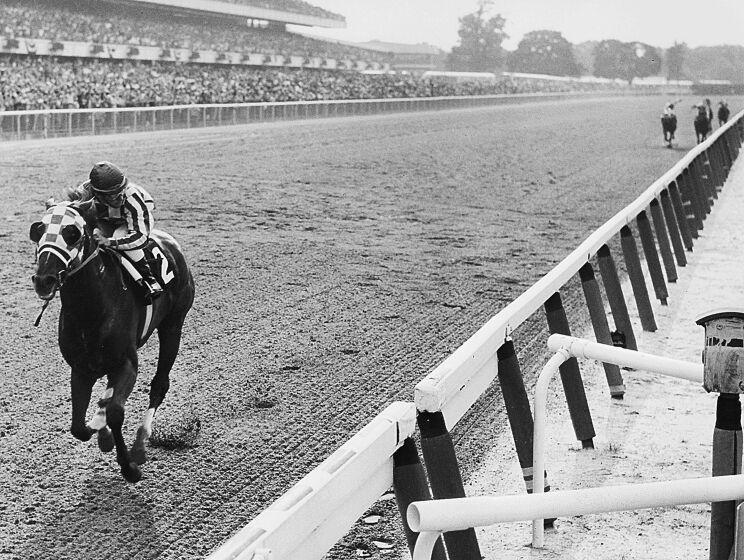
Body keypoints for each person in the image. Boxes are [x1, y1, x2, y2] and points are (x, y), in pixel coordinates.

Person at [85, 161, 163, 300]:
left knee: (119, 234)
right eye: (113, 195)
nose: (121, 197)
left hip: (136, 217)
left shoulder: (131, 196)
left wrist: (110, 242)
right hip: (106, 218)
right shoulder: (85, 192)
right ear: (98, 194)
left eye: (121, 191)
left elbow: (139, 237)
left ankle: (148, 278)